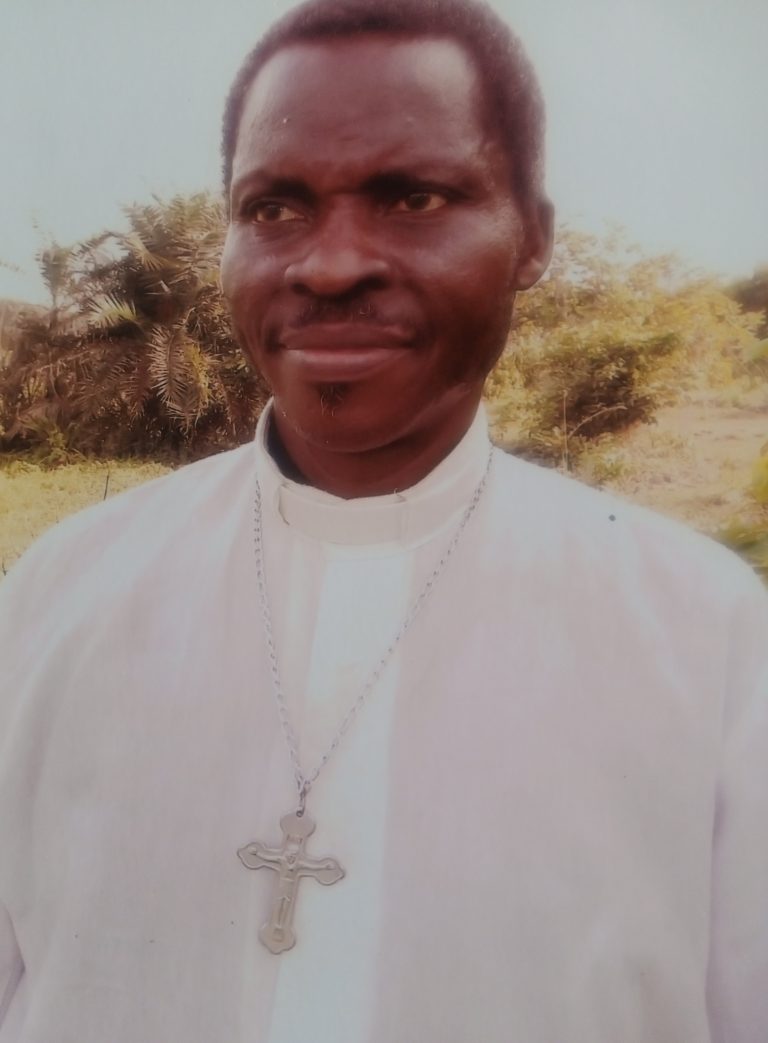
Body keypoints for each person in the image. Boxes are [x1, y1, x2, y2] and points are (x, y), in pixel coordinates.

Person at [1, 0, 766, 1039]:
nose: (330, 264)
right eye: (275, 208)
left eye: (413, 197)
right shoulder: (60, 593)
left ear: (533, 237)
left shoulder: (709, 635)